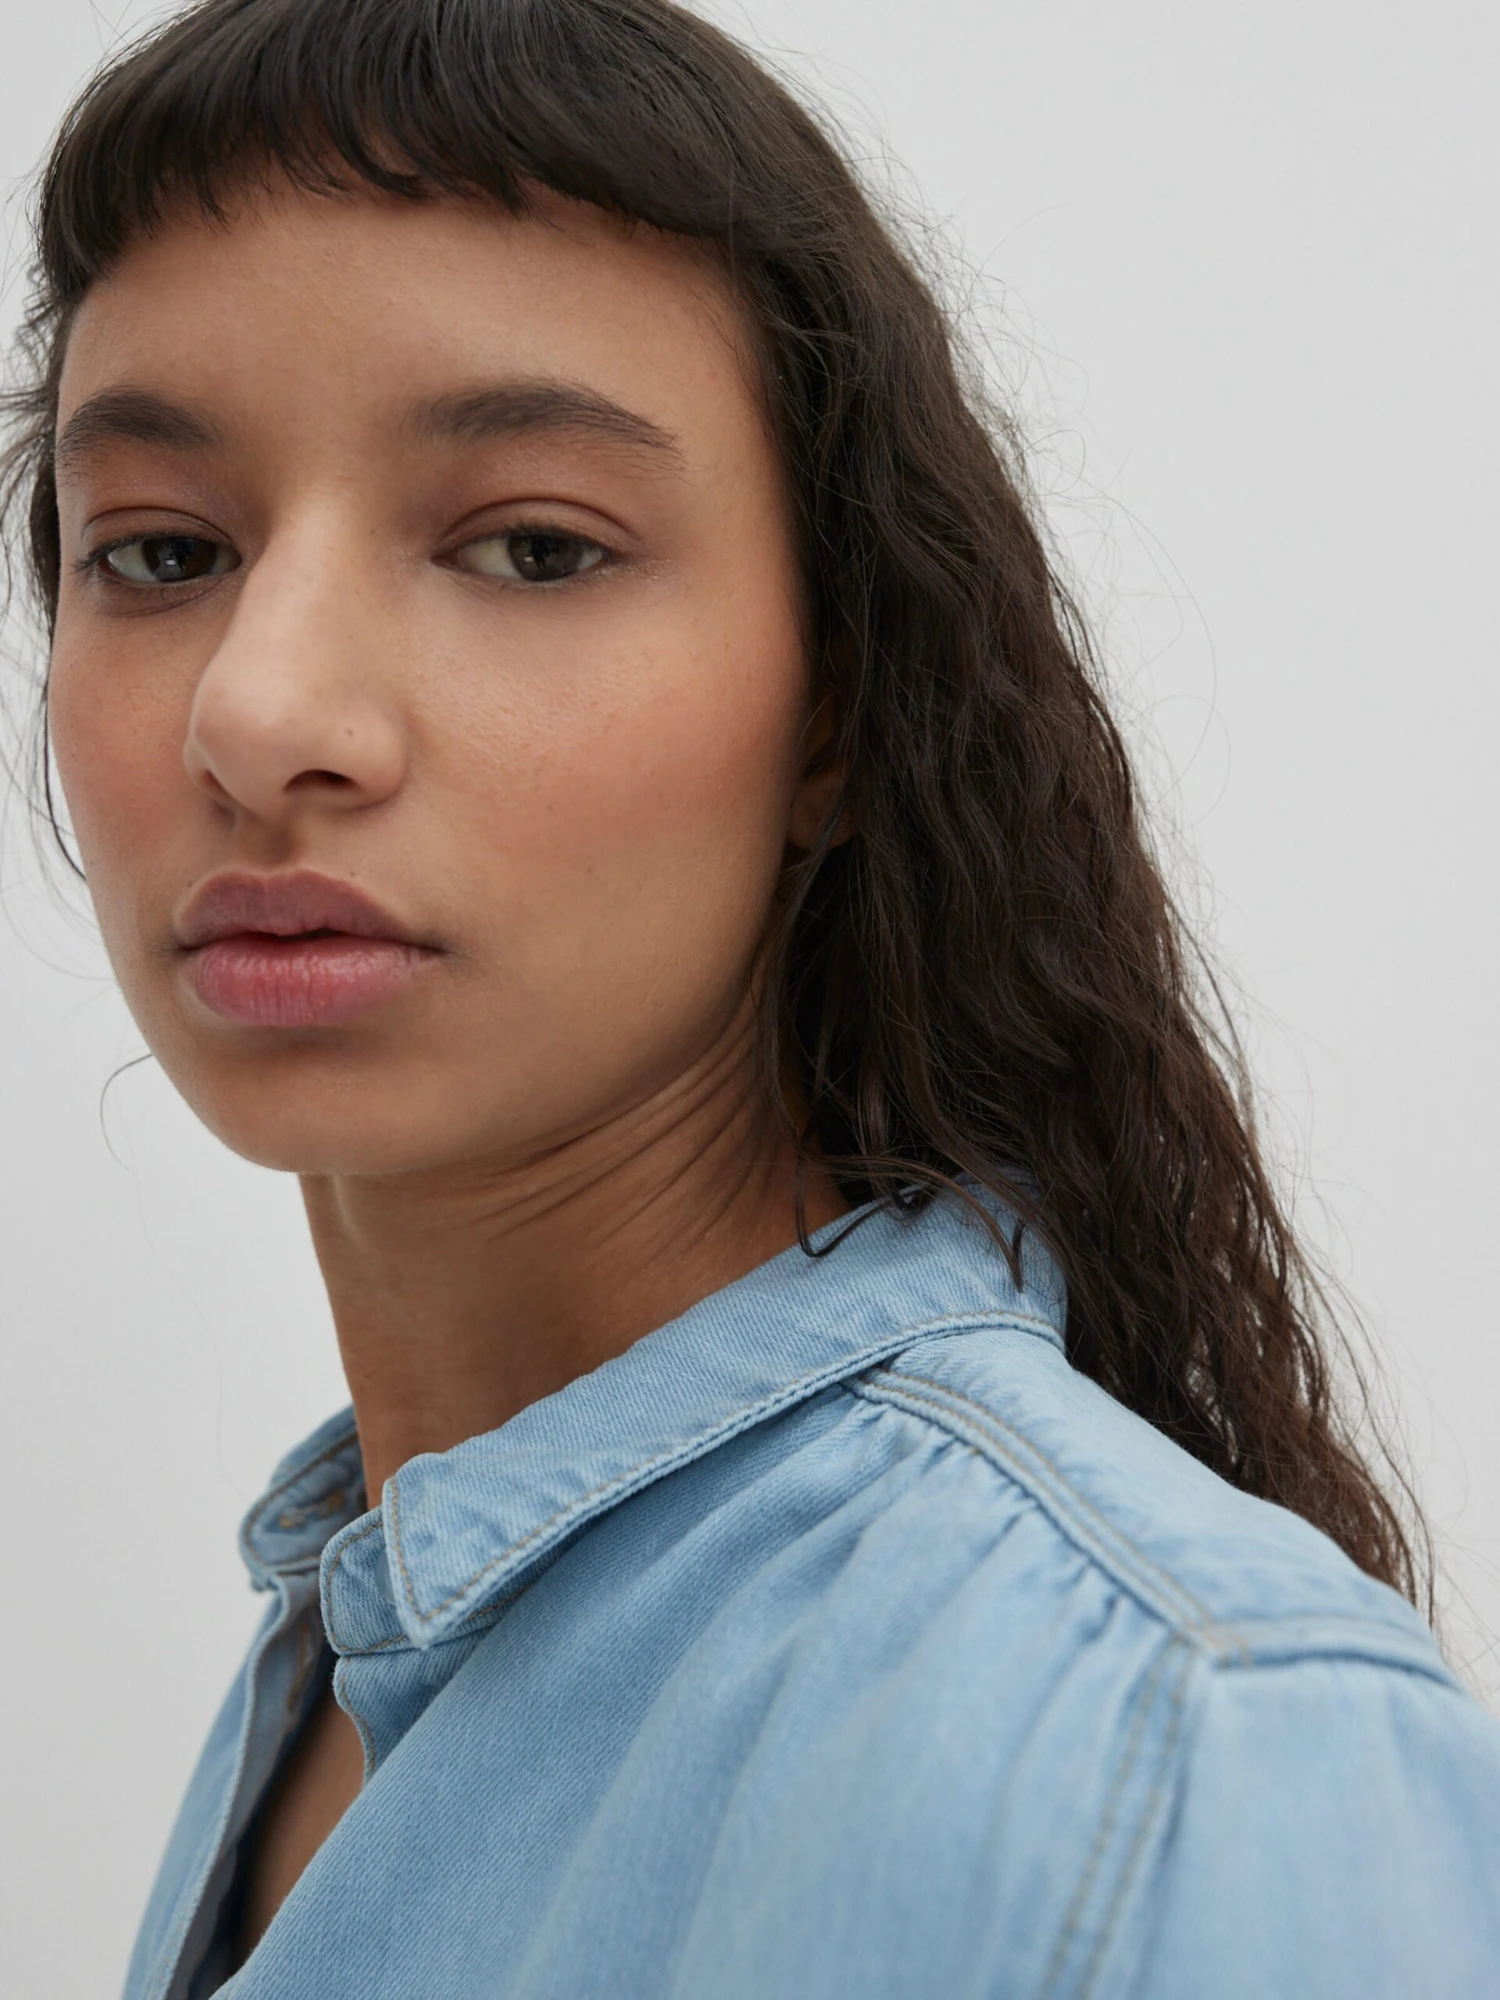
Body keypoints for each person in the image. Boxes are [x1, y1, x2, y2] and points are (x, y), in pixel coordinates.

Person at [3, 0, 1497, 1993]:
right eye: (163, 551)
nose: (260, 711)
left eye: (534, 549)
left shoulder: (1184, 1757)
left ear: (843, 709)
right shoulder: (346, 1644)